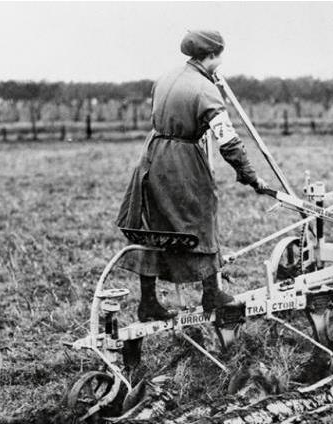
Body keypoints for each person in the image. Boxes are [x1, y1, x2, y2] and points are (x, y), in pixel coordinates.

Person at [117, 29, 268, 321]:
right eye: (219, 57)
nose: (220, 63)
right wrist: (249, 175)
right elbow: (228, 140)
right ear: (211, 55)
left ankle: (147, 302)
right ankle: (212, 293)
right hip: (182, 161)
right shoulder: (205, 89)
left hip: (152, 155)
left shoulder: (164, 79)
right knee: (202, 215)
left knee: (151, 225)